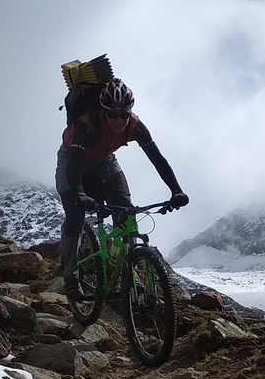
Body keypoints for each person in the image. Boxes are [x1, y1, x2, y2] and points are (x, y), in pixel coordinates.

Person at [55, 79, 188, 296]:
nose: (119, 120)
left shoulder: (136, 126)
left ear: (130, 112)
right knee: (75, 216)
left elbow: (157, 159)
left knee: (126, 211)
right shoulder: (85, 126)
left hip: (105, 161)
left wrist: (176, 190)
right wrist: (79, 193)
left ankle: (129, 269)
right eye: (112, 115)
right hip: (73, 160)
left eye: (124, 115)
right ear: (103, 111)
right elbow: (74, 165)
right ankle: (70, 277)